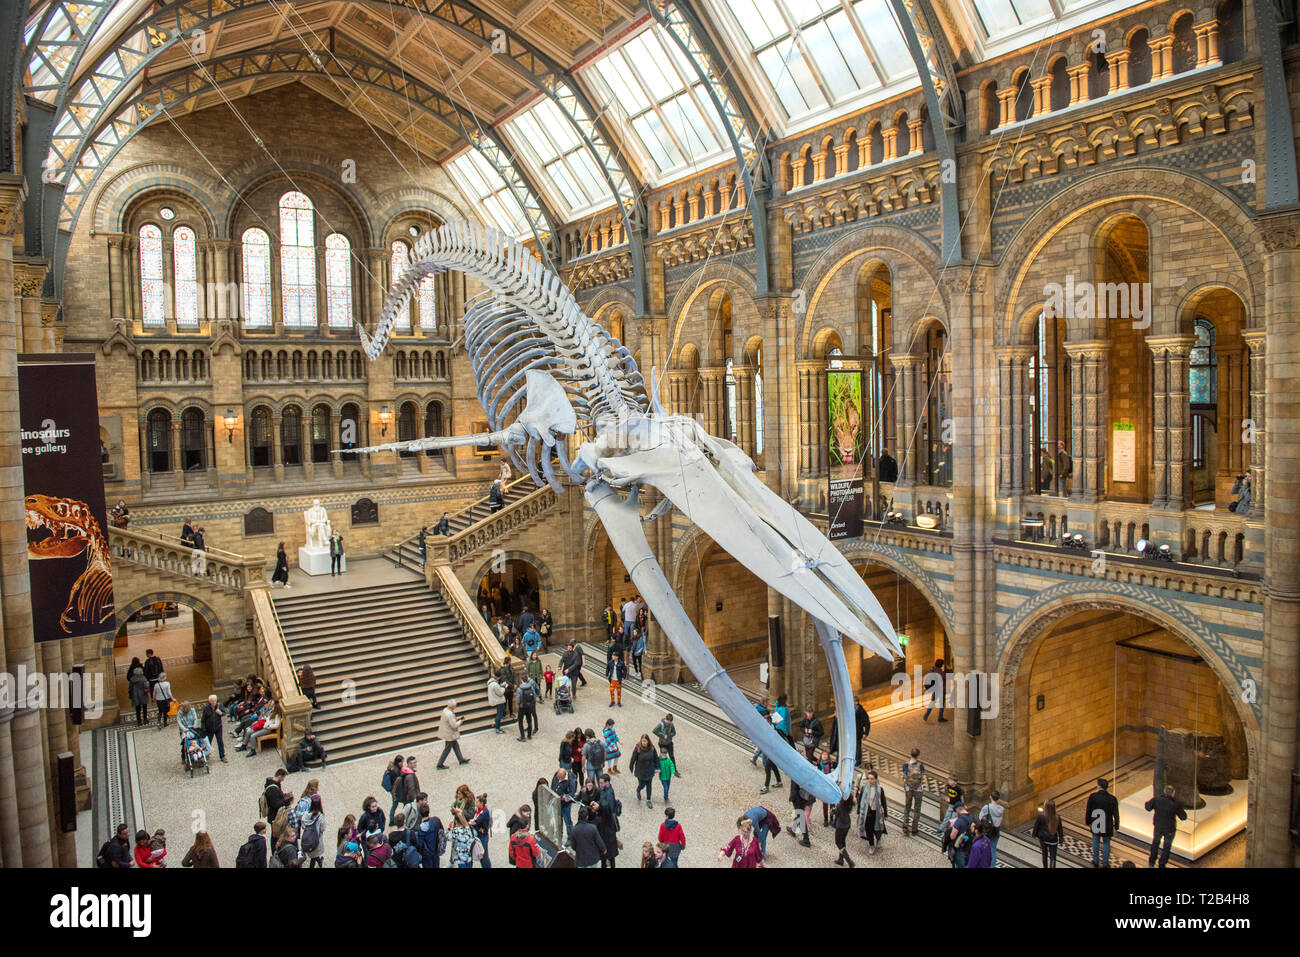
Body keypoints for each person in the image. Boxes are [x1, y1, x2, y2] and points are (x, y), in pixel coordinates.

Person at [1145, 785, 1187, 868]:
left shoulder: (1157, 799)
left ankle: (1152, 861)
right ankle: (1162, 864)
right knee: (1166, 847)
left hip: (1158, 826)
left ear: (1164, 791)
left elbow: (1147, 807)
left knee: (1155, 843)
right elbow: (1183, 817)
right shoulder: (1175, 804)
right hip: (1169, 829)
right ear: (1173, 793)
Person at [1085, 777, 1120, 868]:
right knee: (1106, 843)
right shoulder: (1112, 799)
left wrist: (1087, 821)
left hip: (1096, 822)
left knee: (1095, 841)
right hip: (1107, 823)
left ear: (1099, 786)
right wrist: (1116, 825)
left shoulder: (1093, 796)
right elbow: (1116, 813)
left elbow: (1088, 810)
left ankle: (1096, 861)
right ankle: (1105, 863)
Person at [856, 769, 887, 855]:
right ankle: (871, 845)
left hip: (876, 813)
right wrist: (859, 811)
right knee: (868, 829)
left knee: (877, 828)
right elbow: (860, 800)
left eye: (872, 779)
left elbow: (883, 802)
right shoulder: (864, 788)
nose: (870, 780)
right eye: (869, 778)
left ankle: (878, 838)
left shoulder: (880, 789)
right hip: (867, 812)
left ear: (876, 779)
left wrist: (886, 814)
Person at [436, 700, 470, 768]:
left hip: (447, 732)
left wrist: (456, 719)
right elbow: (454, 725)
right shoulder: (450, 714)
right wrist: (461, 721)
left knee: (455, 746)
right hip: (449, 733)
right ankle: (440, 764)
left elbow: (449, 721)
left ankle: (461, 759)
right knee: (447, 749)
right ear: (453, 706)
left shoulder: (445, 710)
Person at [629, 734, 659, 809]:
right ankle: (638, 790)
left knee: (649, 785)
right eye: (643, 741)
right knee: (642, 784)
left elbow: (656, 758)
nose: (644, 742)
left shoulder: (652, 748)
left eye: (645, 741)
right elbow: (633, 758)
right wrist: (631, 767)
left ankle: (648, 800)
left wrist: (657, 767)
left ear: (648, 741)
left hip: (649, 770)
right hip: (640, 771)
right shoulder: (638, 748)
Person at [1032, 799, 1063, 868]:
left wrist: (1034, 834)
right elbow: (1060, 829)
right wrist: (1061, 839)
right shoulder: (1057, 817)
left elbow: (1036, 825)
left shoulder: (1041, 816)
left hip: (1043, 839)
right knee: (1053, 857)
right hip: (1053, 840)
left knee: (1044, 855)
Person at [978, 790, 1006, 865]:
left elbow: (980, 818)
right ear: (998, 798)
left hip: (987, 832)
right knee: (993, 850)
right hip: (996, 832)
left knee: (984, 849)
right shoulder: (1001, 809)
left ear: (990, 797)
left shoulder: (986, 807)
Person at [901, 748, 925, 835]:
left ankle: (905, 825)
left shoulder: (906, 765)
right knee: (917, 808)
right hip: (918, 789)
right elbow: (922, 777)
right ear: (918, 755)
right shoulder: (920, 765)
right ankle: (914, 828)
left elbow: (903, 775)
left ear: (910, 754)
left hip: (908, 788)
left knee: (907, 807)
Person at [789, 777, 814, 848]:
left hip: (798, 798)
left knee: (800, 817)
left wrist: (792, 798)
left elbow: (795, 787)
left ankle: (806, 840)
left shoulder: (796, 773)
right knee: (799, 814)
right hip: (803, 798)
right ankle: (793, 830)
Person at [947, 802, 974, 867]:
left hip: (960, 849)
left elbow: (952, 837)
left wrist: (951, 826)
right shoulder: (973, 817)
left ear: (957, 810)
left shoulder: (959, 821)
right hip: (971, 847)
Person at [552, 767, 576, 836]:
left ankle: (570, 837)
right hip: (557, 804)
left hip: (565, 805)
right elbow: (553, 786)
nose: (558, 779)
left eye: (560, 777)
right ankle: (559, 835)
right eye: (558, 777)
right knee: (558, 821)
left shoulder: (570, 780)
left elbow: (572, 793)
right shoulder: (556, 776)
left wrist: (565, 797)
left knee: (568, 822)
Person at [832, 794, 855, 867]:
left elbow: (835, 812)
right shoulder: (849, 804)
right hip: (847, 824)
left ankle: (849, 861)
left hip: (841, 825)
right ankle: (840, 859)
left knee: (838, 843)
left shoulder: (840, 805)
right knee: (842, 842)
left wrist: (832, 811)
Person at [516, 672, 539, 740]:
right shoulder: (531, 687)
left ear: (521, 680)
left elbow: (518, 700)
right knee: (529, 721)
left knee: (520, 721)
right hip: (529, 706)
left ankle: (522, 736)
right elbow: (534, 697)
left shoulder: (519, 689)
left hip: (522, 707)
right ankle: (529, 735)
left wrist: (519, 704)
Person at [472, 793, 493, 869]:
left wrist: (474, 824)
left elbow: (477, 823)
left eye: (477, 802)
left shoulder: (485, 813)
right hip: (479, 834)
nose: (475, 803)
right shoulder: (478, 810)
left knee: (484, 856)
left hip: (483, 836)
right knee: (482, 855)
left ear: (481, 803)